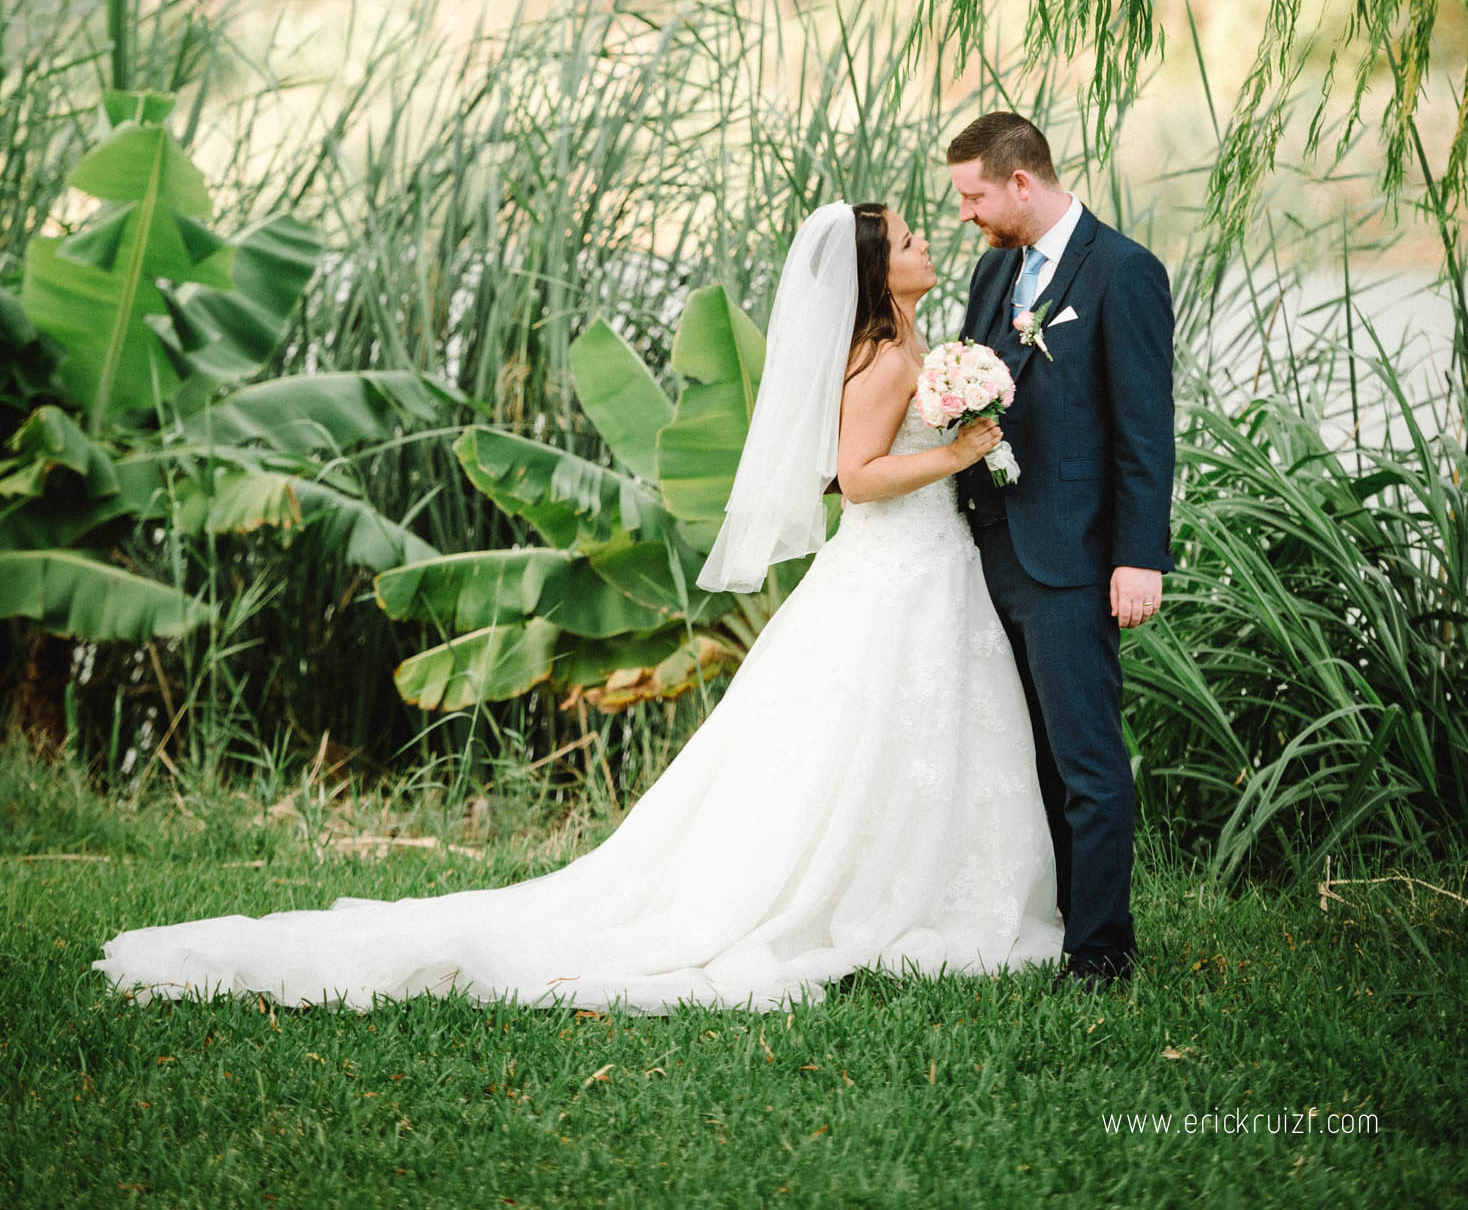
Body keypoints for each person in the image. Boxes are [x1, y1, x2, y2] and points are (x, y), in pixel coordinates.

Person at [93, 199, 1064, 1013]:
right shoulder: (884, 358)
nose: (924, 244)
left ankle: (913, 888)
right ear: (875, 271)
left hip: (925, 570)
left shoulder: (905, 342)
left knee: (903, 741)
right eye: (907, 240)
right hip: (894, 571)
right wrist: (956, 451)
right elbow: (856, 478)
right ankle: (877, 900)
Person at [946, 113, 1175, 989]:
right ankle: (1060, 922)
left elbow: (1145, 430)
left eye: (973, 195)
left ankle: (1103, 949)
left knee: (1086, 759)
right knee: (1031, 754)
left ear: (1020, 182)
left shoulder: (1123, 271)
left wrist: (1138, 556)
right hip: (993, 544)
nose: (965, 213)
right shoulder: (992, 269)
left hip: (1075, 555)